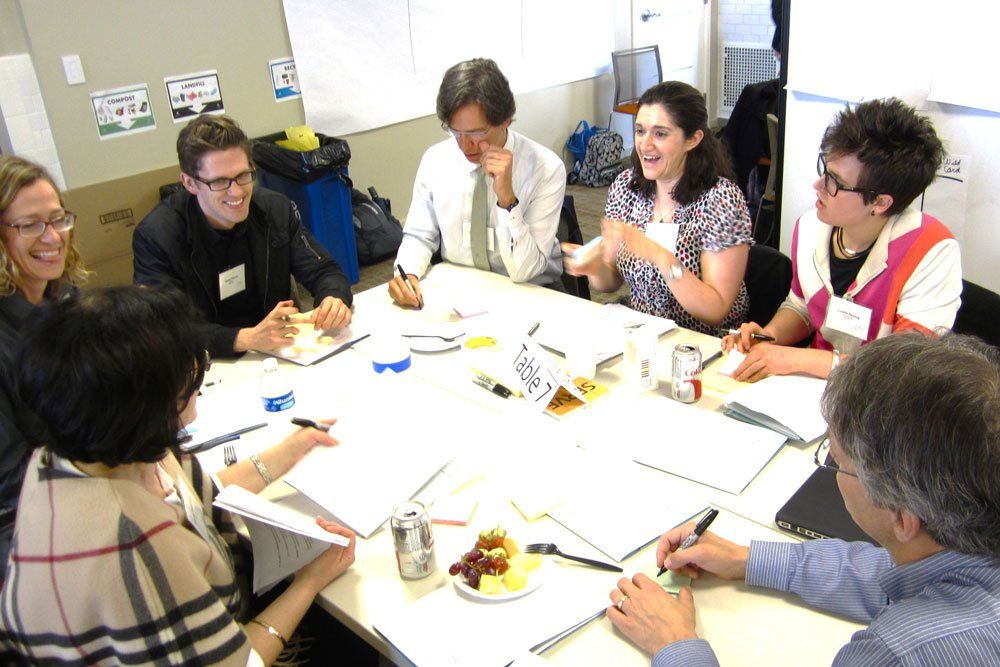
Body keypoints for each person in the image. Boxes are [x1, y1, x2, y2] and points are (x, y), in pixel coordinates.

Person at [0, 286, 357, 665]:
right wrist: (309, 583)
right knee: (350, 639)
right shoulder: (135, 544)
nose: (197, 388)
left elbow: (197, 495)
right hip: (214, 641)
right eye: (188, 379)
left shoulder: (83, 454)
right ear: (145, 404)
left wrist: (293, 448)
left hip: (183, 627)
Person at [608, 332, 1000, 665]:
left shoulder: (897, 652)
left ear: (903, 517)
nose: (831, 471)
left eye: (837, 461)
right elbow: (886, 574)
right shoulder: (960, 536)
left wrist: (675, 645)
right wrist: (745, 560)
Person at [723, 98, 962, 382]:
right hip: (811, 392)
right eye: (825, 170)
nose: (819, 185)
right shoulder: (812, 227)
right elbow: (802, 306)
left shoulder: (931, 252)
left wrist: (798, 358)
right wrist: (769, 337)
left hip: (880, 407)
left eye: (835, 181)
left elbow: (904, 368)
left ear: (881, 202)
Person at [133, 114, 353, 359]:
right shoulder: (157, 236)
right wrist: (245, 338)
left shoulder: (275, 211)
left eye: (242, 175)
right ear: (190, 183)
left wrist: (333, 298)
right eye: (219, 181)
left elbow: (324, 270)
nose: (236, 191)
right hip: (205, 362)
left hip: (277, 351)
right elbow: (163, 327)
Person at [563, 81, 753, 335]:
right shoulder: (626, 187)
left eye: (660, 134)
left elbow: (715, 309)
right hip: (642, 332)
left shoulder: (721, 199)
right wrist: (593, 266)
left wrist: (659, 256)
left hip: (702, 342)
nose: (645, 144)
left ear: (693, 139)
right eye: (640, 131)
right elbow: (611, 280)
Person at [388, 58, 566, 307]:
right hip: (461, 291)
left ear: (506, 120)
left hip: (531, 293)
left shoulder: (546, 168)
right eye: (456, 132)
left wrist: (507, 200)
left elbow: (526, 271)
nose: (465, 145)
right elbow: (420, 235)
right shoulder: (435, 160)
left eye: (476, 133)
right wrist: (407, 274)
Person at [0, 156, 88, 573]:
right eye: (30, 224)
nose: (52, 236)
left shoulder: (62, 303)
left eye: (57, 219)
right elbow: (11, 483)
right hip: (25, 533)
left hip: (78, 493)